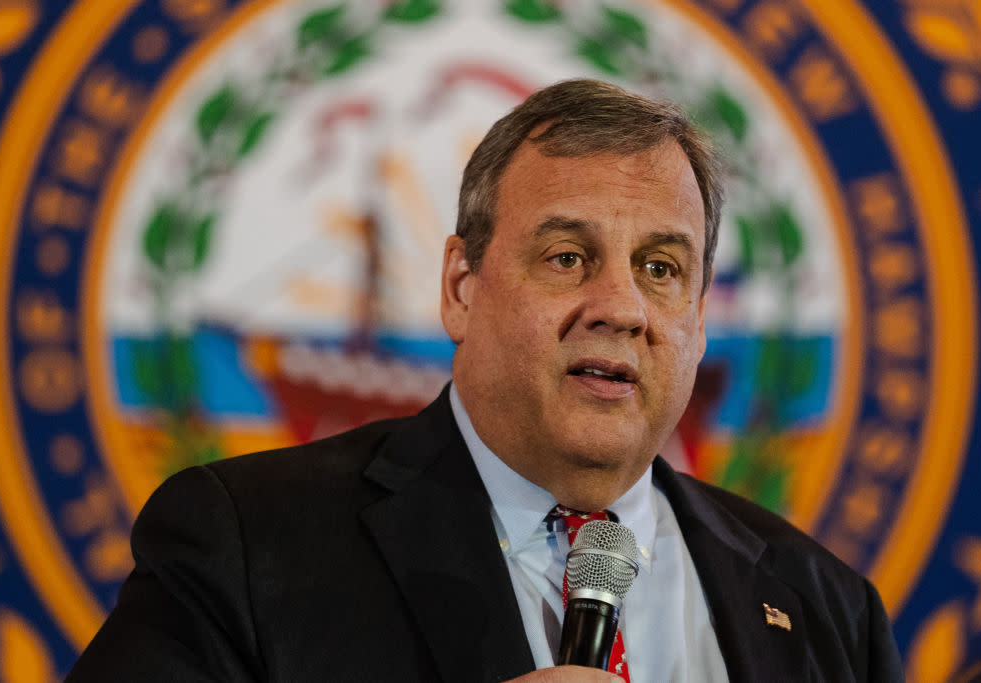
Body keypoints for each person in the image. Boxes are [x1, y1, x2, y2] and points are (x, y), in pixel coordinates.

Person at [67, 79, 903, 682]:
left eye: (660, 267)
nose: (621, 306)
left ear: (697, 317)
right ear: (462, 287)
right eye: (568, 257)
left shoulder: (827, 607)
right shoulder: (245, 545)